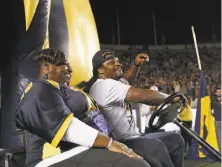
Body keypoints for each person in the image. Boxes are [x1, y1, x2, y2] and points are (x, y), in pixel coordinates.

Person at [16, 48, 150, 167]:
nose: (70, 69)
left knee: (148, 157)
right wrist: (109, 142)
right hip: (52, 158)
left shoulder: (68, 90)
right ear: (46, 67)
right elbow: (67, 128)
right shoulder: (39, 88)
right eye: (65, 65)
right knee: (133, 164)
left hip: (83, 149)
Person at [80, 50, 187, 167]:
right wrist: (172, 98)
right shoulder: (104, 85)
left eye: (117, 61)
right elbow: (144, 96)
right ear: (100, 70)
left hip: (135, 137)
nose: (117, 64)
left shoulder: (113, 83)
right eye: (111, 63)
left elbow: (127, 78)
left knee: (175, 139)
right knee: (156, 147)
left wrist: (135, 65)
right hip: (122, 142)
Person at [211, 87, 221, 152]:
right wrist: (213, 115)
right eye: (218, 91)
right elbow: (210, 109)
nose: (219, 92)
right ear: (215, 93)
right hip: (217, 120)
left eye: (220, 91)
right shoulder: (213, 100)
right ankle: (220, 151)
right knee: (219, 137)